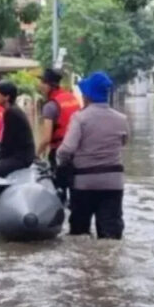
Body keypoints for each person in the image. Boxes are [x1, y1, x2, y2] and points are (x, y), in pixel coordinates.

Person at [56, 71, 129, 239]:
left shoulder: (80, 118)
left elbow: (66, 149)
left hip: (84, 183)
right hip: (113, 183)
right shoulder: (121, 118)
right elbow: (124, 142)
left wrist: (62, 162)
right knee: (111, 234)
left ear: (87, 95)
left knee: (80, 233)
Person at [37, 67, 81, 201]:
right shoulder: (72, 98)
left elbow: (46, 138)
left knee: (58, 192)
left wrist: (36, 154)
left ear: (49, 85)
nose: (40, 86)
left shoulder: (50, 106)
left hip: (59, 153)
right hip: (78, 152)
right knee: (76, 192)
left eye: (42, 83)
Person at [0, 80, 36, 178]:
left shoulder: (12, 113)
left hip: (21, 158)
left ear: (6, 97)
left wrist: (0, 161)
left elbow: (7, 140)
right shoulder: (13, 110)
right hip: (20, 155)